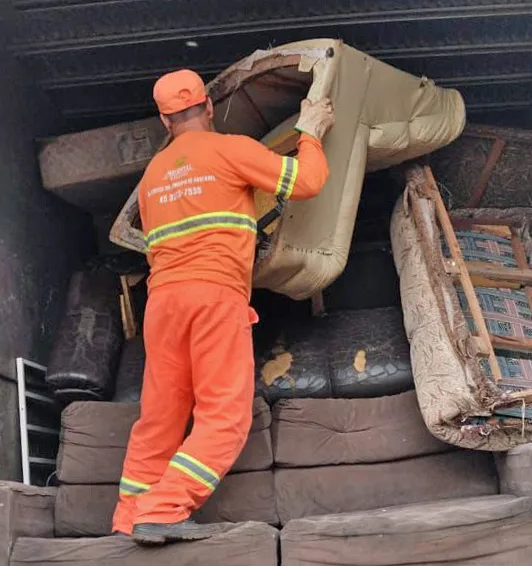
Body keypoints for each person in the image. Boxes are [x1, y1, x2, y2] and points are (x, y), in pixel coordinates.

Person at [111, 69, 334, 545]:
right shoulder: (231, 150)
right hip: (213, 297)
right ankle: (165, 507)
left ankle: (127, 517)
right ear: (208, 107)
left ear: (164, 121)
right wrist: (311, 130)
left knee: (160, 418)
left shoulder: (152, 177)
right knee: (226, 417)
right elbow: (309, 181)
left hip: (163, 303)